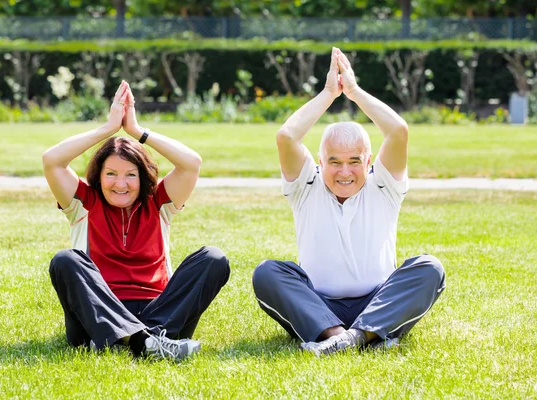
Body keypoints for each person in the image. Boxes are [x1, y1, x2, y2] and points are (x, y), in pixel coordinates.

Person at [252, 47, 445, 356]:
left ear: (369, 160)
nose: (344, 172)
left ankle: (350, 338)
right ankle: (340, 333)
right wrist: (329, 93)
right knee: (267, 273)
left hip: (378, 301)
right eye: (334, 162)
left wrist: (353, 92)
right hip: (317, 304)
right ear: (319, 161)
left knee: (429, 269)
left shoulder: (383, 185)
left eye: (355, 161)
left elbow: (397, 130)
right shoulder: (307, 185)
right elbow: (287, 137)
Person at [43, 80, 230, 361]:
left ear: (143, 177)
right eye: (111, 174)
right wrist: (108, 129)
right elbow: (52, 160)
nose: (121, 184)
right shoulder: (84, 203)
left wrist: (137, 131)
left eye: (131, 174)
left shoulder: (158, 203)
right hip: (96, 313)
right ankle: (147, 341)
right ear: (98, 175)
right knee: (65, 260)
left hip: (159, 309)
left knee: (213, 258)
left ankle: (135, 339)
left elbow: (191, 163)